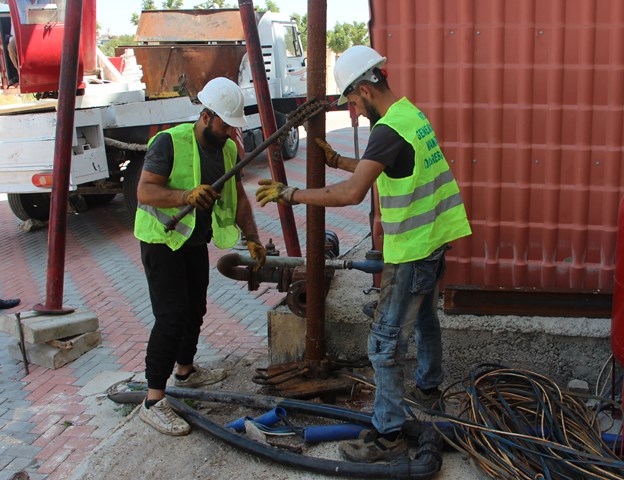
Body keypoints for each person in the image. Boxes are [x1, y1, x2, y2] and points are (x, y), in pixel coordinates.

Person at [256, 45, 472, 463]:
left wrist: (291, 193)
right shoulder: (409, 116)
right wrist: (337, 159)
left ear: (367, 90)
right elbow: (385, 164)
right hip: (432, 242)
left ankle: (388, 436)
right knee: (426, 322)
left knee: (383, 345)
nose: (353, 111)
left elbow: (353, 192)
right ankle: (430, 393)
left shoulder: (387, 129)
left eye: (353, 102)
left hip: (411, 252)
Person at [134, 77, 267, 436]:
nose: (229, 133)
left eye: (232, 127)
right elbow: (145, 191)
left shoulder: (227, 149)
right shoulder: (169, 142)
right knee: (171, 316)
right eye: (225, 125)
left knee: (195, 308)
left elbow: (238, 196)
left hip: (193, 242)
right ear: (206, 116)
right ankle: (153, 400)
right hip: (162, 242)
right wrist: (184, 197)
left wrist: (252, 237)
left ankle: (186, 370)